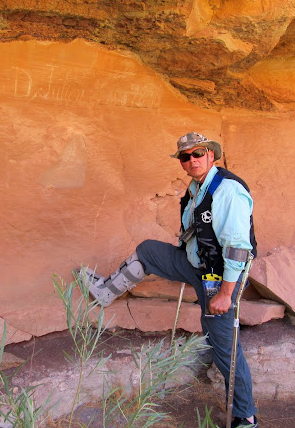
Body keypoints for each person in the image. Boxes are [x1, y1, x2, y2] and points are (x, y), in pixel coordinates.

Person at [81, 132, 258, 428]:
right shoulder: (196, 187)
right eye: (185, 157)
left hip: (220, 279)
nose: (192, 161)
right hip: (196, 264)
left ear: (211, 155)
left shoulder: (227, 190)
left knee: (224, 345)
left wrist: (226, 294)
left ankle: (245, 416)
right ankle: (104, 292)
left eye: (197, 154)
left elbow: (238, 249)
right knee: (149, 250)